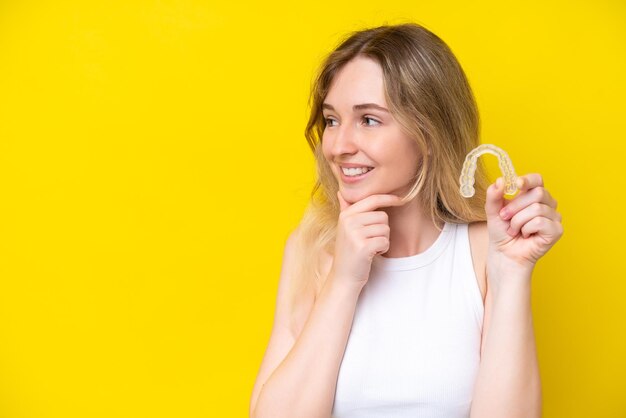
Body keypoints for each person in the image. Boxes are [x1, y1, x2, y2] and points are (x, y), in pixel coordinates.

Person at [249, 22, 563, 418]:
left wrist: (512, 272)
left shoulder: (485, 252)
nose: (339, 146)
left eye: (369, 120)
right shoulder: (312, 248)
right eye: (331, 120)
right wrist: (344, 279)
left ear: (428, 133)